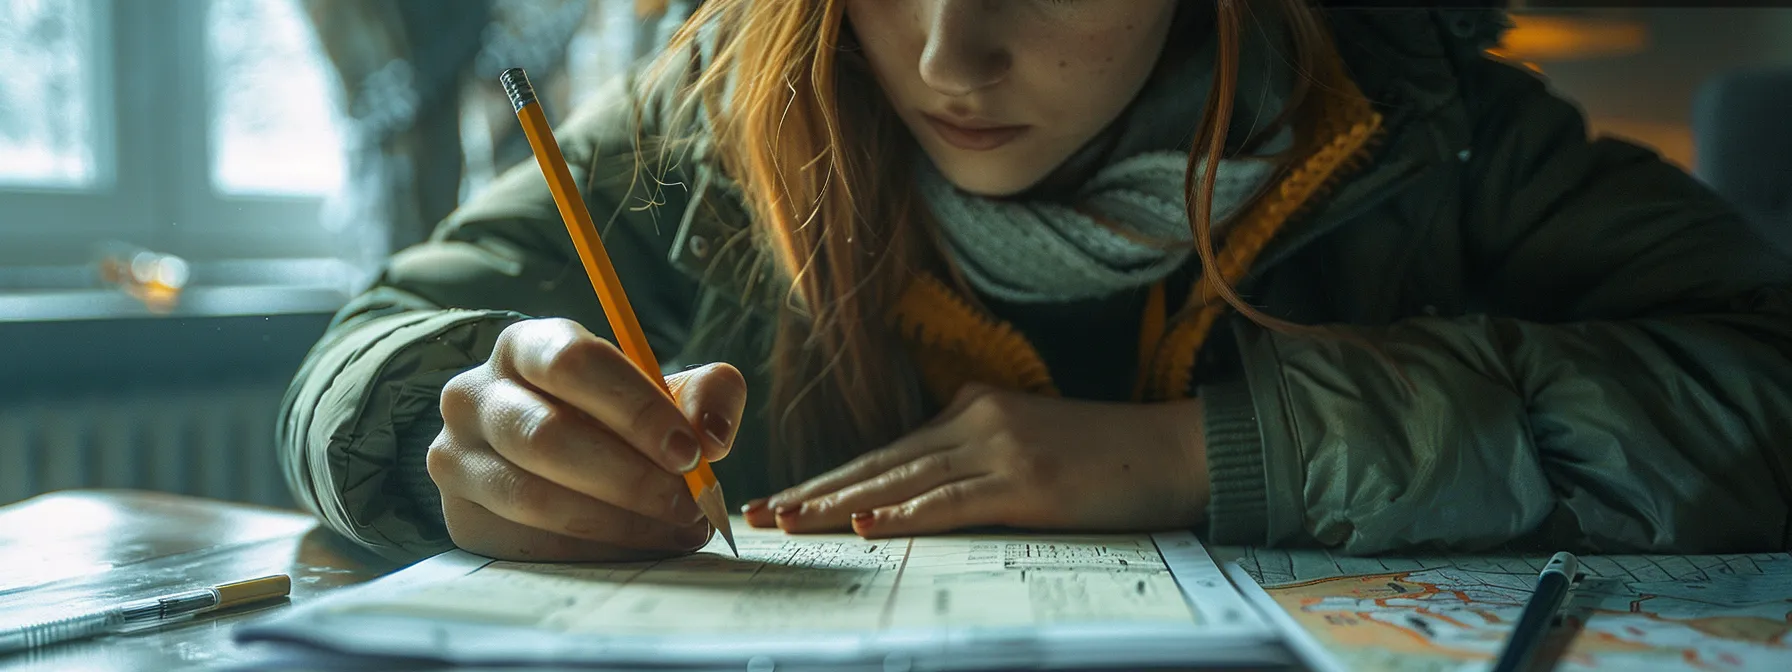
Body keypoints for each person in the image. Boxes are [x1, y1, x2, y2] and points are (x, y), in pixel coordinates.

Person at [278, 0, 1792, 563]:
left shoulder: (1432, 128)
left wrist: (1206, 456)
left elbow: (1767, 379)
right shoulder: (711, 107)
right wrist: (462, 420)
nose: (948, 53)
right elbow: (362, 353)